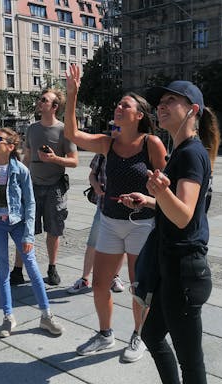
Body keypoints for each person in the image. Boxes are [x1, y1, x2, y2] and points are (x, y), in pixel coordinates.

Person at [64, 64, 167, 363]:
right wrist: (73, 94)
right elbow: (72, 132)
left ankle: (139, 336)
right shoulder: (107, 143)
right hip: (109, 221)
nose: (119, 108)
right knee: (99, 283)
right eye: (118, 104)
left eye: (126, 105)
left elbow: (164, 189)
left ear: (139, 116)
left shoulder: (152, 144)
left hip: (141, 225)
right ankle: (105, 333)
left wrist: (146, 199)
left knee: (138, 286)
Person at [122, 80, 220, 383]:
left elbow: (183, 216)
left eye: (170, 100)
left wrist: (161, 195)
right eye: (160, 101)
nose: (161, 106)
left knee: (191, 363)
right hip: (172, 267)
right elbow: (179, 207)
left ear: (192, 110)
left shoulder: (191, 153)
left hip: (184, 272)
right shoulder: (182, 151)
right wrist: (152, 200)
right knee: (151, 333)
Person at [0, 128, 64, 338]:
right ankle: (8, 317)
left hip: (19, 223)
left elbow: (30, 203)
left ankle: (46, 315)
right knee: (3, 271)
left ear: (10, 146)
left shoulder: (21, 170)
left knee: (31, 267)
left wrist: (28, 235)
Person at [9, 88, 79, 287]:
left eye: (44, 100)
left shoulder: (64, 130)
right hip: (32, 186)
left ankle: (52, 268)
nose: (40, 102)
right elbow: (27, 156)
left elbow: (74, 161)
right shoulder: (32, 129)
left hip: (55, 187)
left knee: (53, 230)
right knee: (24, 228)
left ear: (54, 106)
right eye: (40, 99)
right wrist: (19, 180)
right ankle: (17, 271)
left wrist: (54, 158)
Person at [67, 151, 125, 295]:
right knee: (93, 242)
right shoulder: (103, 151)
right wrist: (96, 185)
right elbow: (92, 174)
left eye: (118, 128)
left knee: (121, 244)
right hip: (103, 206)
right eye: (114, 128)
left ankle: (114, 277)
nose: (115, 131)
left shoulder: (130, 151)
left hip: (124, 207)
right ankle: (85, 279)